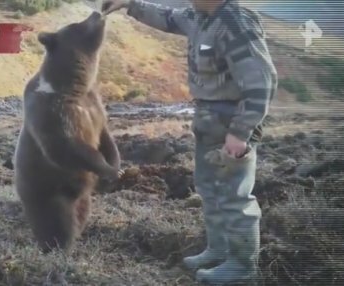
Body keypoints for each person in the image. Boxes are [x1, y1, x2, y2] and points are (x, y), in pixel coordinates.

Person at [101, 0, 278, 285]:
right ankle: (218, 250)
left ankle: (243, 266)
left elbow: (261, 81)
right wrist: (129, 4)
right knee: (209, 190)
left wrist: (241, 132)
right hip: (208, 121)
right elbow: (168, 17)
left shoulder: (234, 21)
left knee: (235, 198)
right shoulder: (199, 16)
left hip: (231, 123)